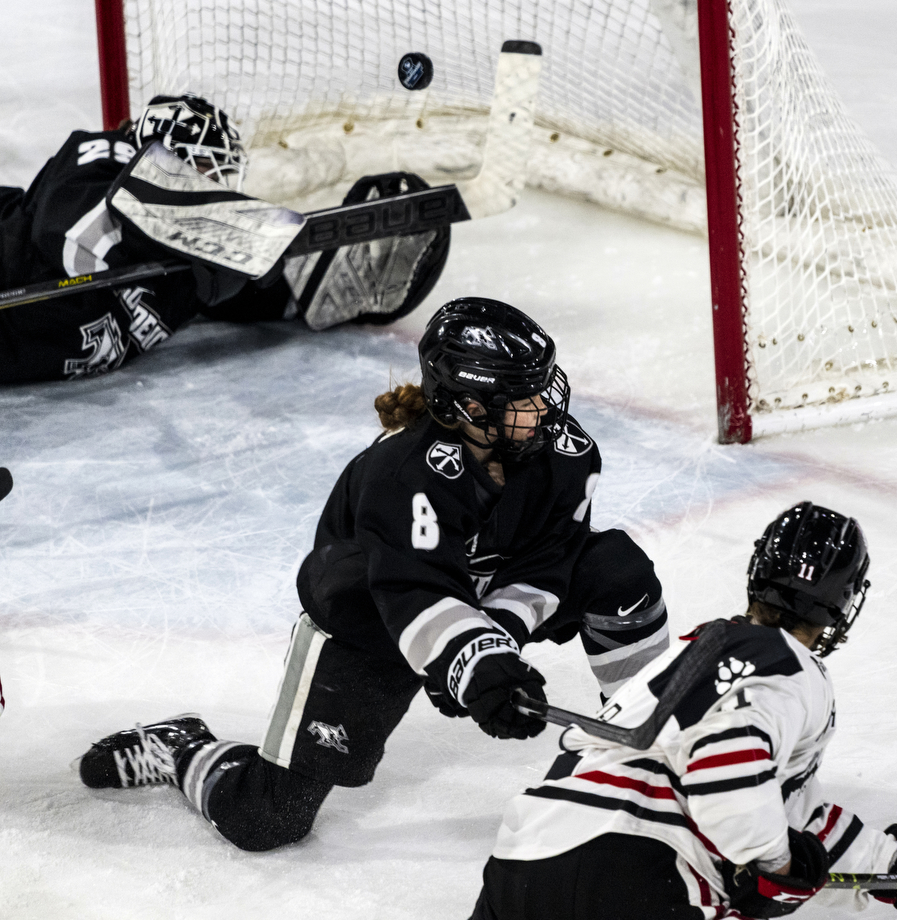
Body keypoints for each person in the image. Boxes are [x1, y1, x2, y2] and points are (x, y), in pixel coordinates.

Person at [75, 297, 671, 852]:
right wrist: (472, 660)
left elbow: (553, 561)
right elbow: (413, 590)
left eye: (543, 389)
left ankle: (647, 743)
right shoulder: (405, 474)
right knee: (267, 820)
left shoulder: (567, 454)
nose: (546, 408)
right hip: (372, 614)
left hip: (461, 597)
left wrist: (492, 648)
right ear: (466, 407)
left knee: (613, 568)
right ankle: (182, 746)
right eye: (523, 397)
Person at [469, 502, 897, 920]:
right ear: (842, 603)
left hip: (521, 866)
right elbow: (726, 761)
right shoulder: (791, 667)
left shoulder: (683, 654)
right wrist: (775, 867)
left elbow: (781, 806)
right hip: (639, 874)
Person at [0, 93, 450, 384]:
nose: (216, 184)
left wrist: (332, 276)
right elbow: (70, 237)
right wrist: (201, 236)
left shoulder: (187, 273)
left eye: (221, 174)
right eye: (205, 168)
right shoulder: (101, 157)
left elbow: (272, 294)